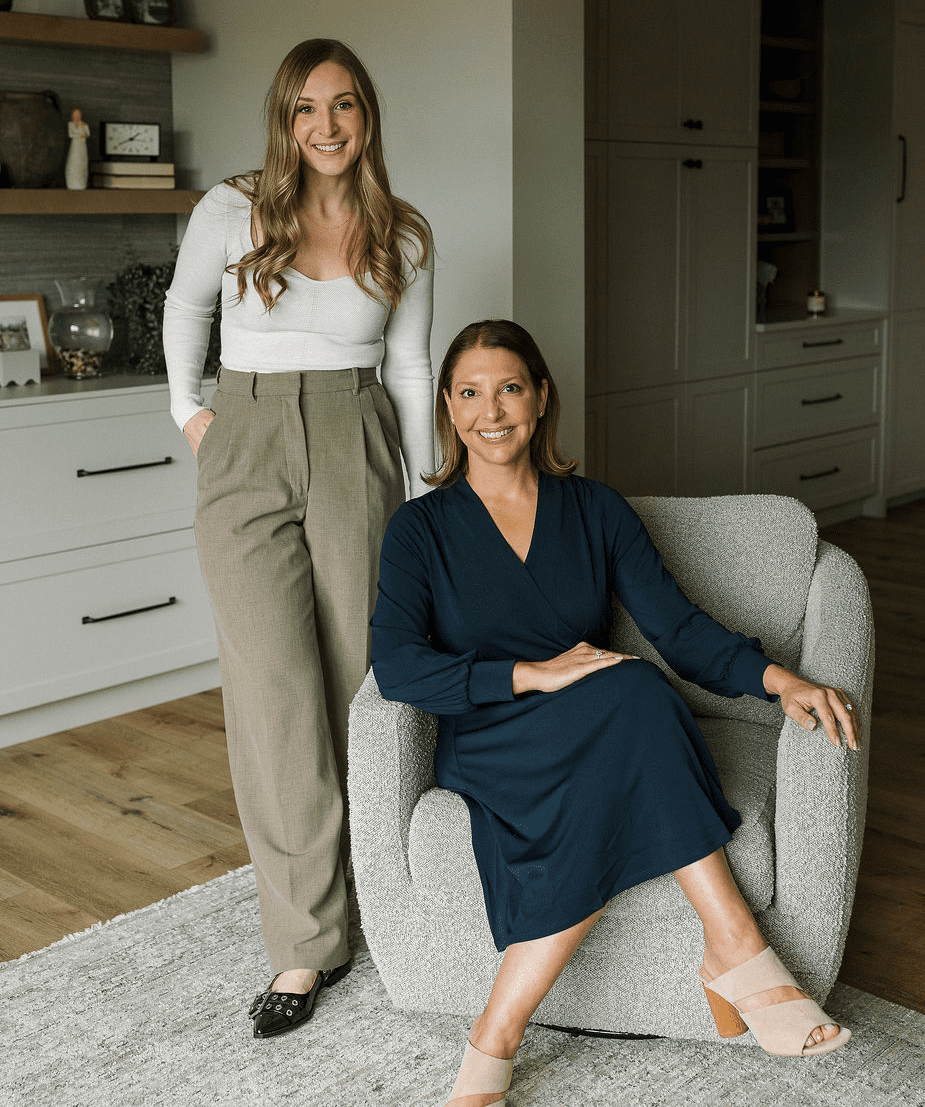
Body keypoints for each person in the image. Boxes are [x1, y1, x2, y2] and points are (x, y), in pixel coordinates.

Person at [370, 320, 860, 1105]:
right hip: (493, 733)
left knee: (634, 688)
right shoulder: (419, 528)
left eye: (508, 388)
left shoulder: (595, 507)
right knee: (635, 694)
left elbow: (678, 627)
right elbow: (396, 665)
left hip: (597, 723)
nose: (489, 411)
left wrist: (777, 678)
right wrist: (531, 673)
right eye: (468, 392)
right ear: (447, 408)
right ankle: (736, 952)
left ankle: (495, 1037)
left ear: (540, 398)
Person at [162, 38, 434, 1039]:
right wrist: (191, 419)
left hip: (357, 437)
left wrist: (418, 490)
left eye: (345, 106)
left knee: (361, 678)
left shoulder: (400, 232)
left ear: (367, 118)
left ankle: (385, 890)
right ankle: (305, 943)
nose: (325, 126)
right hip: (246, 434)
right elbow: (184, 308)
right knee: (272, 688)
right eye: (305, 108)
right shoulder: (229, 212)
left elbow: (410, 372)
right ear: (282, 119)